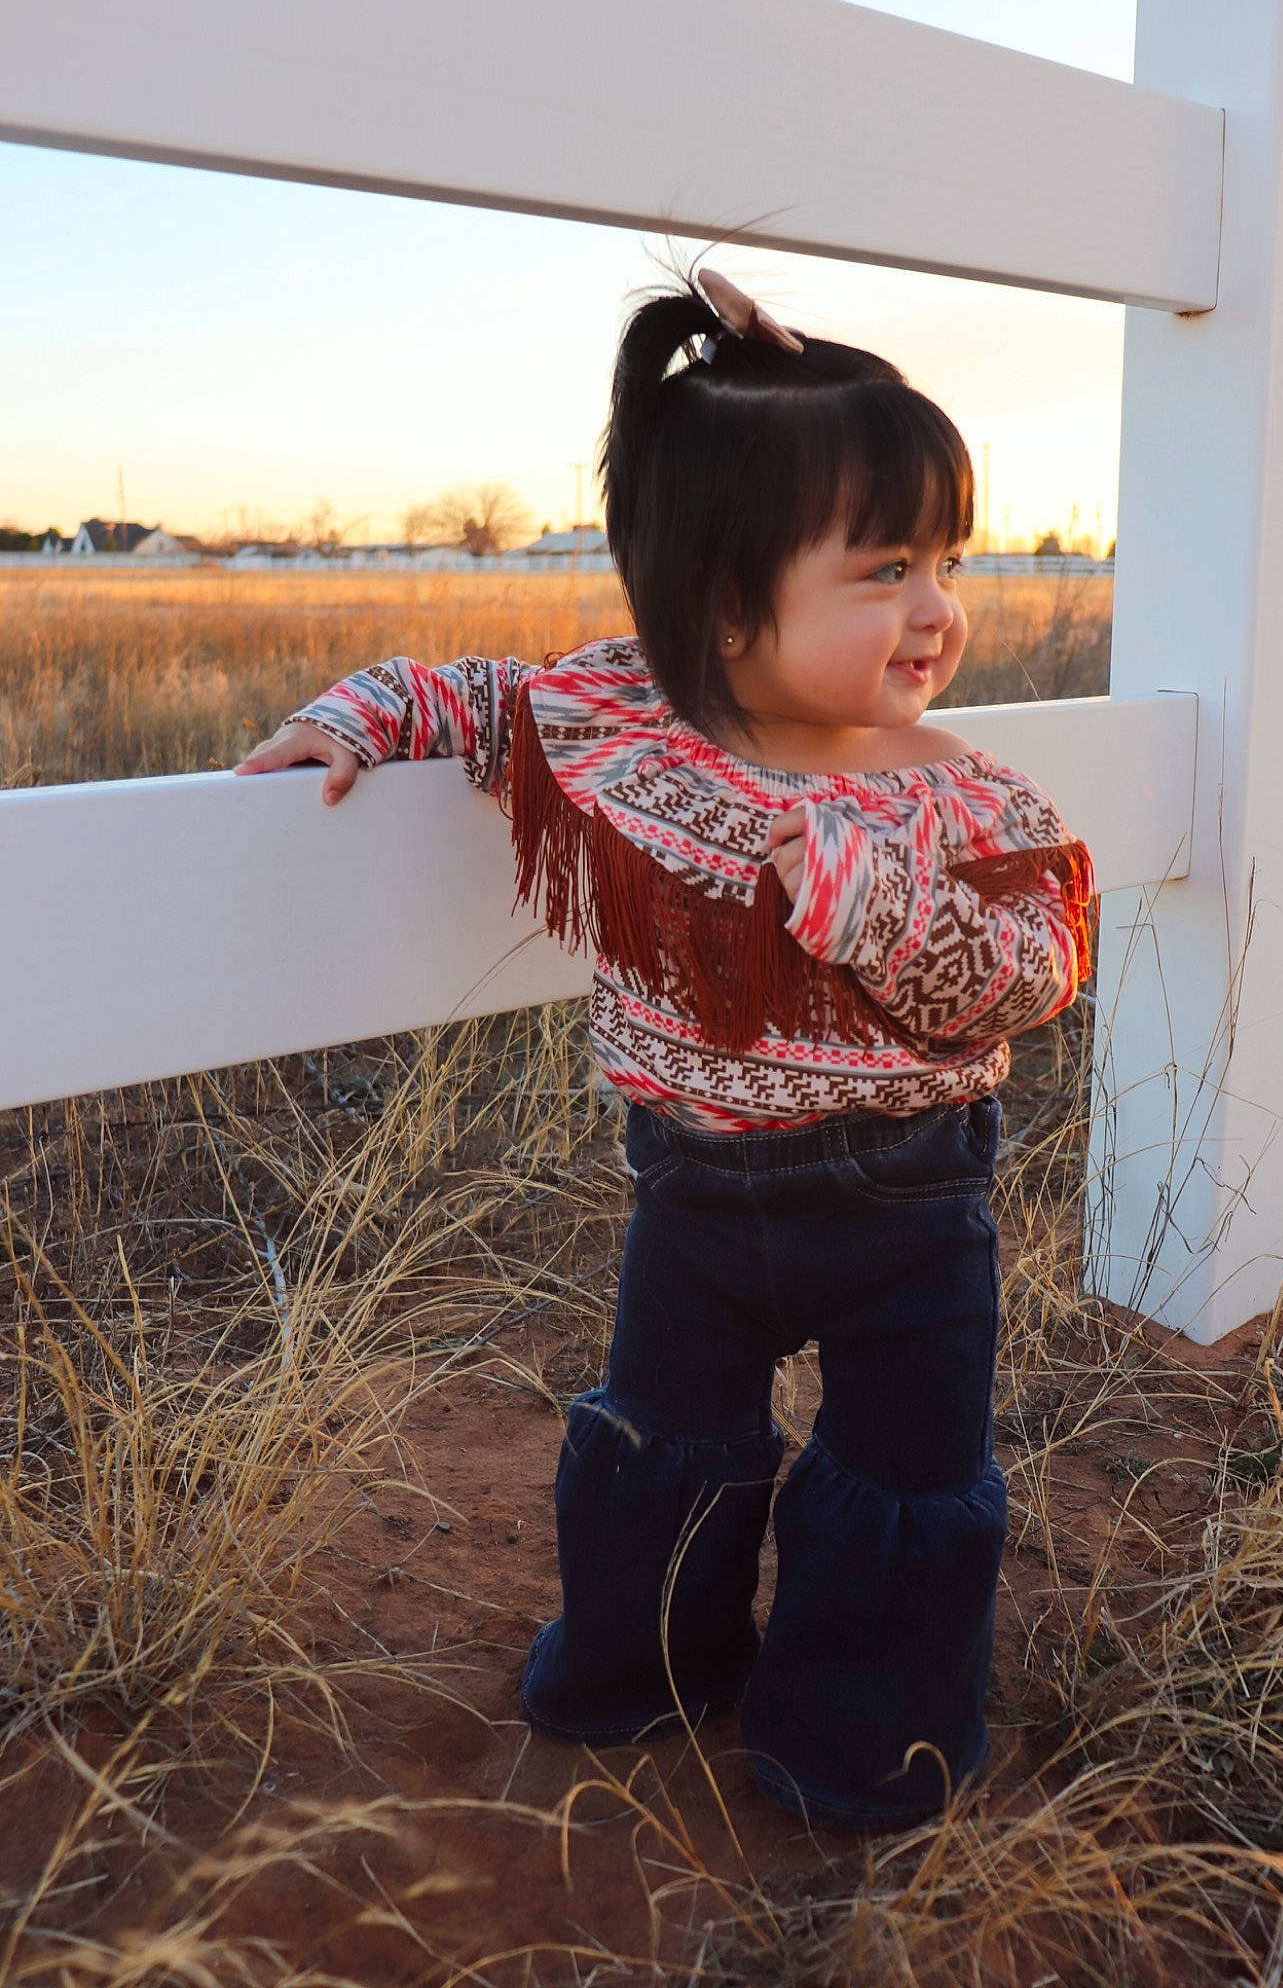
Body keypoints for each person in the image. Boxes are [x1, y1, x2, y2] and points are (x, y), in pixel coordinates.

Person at [235, 266, 1093, 1833]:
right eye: (885, 566)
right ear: (717, 596)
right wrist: (351, 720)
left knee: (904, 1479)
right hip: (690, 1197)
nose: (936, 610)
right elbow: (470, 696)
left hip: (910, 1208)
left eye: (945, 561)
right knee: (666, 1444)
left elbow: (1033, 977)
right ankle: (646, 1670)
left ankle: (859, 1746)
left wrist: (878, 906)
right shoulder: (622, 719)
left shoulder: (958, 793)